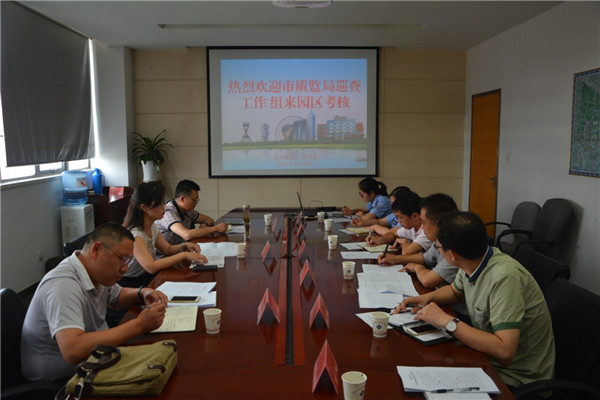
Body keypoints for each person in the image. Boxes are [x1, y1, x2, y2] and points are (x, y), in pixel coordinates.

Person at [393, 211, 555, 389]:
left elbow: (505, 351)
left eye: (438, 246)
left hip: (515, 377)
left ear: (452, 254)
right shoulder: (473, 259)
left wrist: (446, 321)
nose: (437, 249)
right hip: (485, 357)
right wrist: (423, 299)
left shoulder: (504, 278)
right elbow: (455, 292)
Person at [21, 223, 168, 382]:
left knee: (161, 362)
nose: (125, 269)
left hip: (95, 361)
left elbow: (116, 297)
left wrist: (141, 292)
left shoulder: (95, 272)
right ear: (96, 250)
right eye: (122, 259)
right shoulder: (63, 286)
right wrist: (138, 325)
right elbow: (73, 350)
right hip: (62, 381)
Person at [120, 182, 208, 288]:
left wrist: (183, 246)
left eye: (164, 203)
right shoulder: (135, 234)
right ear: (144, 207)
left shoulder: (151, 226)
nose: (164, 207)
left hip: (145, 277)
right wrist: (184, 255)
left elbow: (168, 249)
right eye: (160, 204)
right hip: (130, 283)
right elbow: (151, 266)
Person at [379, 193, 458, 288]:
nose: (422, 228)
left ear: (439, 224)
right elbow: (424, 258)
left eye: (423, 222)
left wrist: (417, 267)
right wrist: (395, 259)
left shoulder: (455, 248)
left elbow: (428, 281)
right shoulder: (439, 240)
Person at [156, 179, 227, 245]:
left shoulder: (188, 210)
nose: (196, 203)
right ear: (182, 198)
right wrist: (215, 228)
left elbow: (209, 220)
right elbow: (186, 234)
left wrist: (205, 224)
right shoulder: (168, 212)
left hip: (181, 248)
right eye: (194, 200)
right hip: (166, 253)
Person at [366, 191, 432, 256]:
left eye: (399, 217)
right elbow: (392, 234)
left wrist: (405, 242)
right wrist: (380, 240)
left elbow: (406, 253)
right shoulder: (411, 227)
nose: (398, 221)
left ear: (414, 216)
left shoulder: (426, 231)